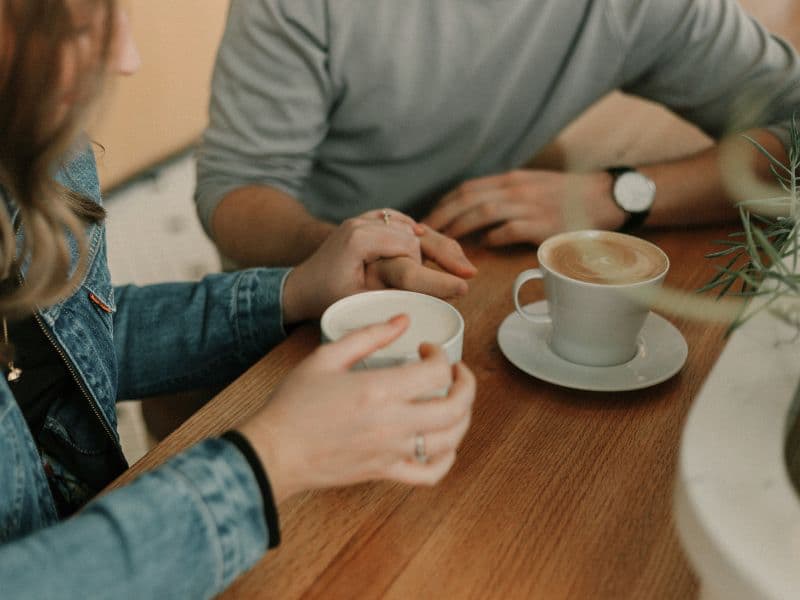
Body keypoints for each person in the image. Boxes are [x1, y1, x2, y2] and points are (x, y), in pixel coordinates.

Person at [0, 1, 475, 597]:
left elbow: (75, 339)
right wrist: (270, 460)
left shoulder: (33, 145)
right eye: (76, 26)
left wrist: (293, 290)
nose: (127, 58)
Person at [196, 0, 800, 272]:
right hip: (298, 277)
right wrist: (347, 249)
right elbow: (237, 192)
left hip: (481, 258)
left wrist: (618, 194)